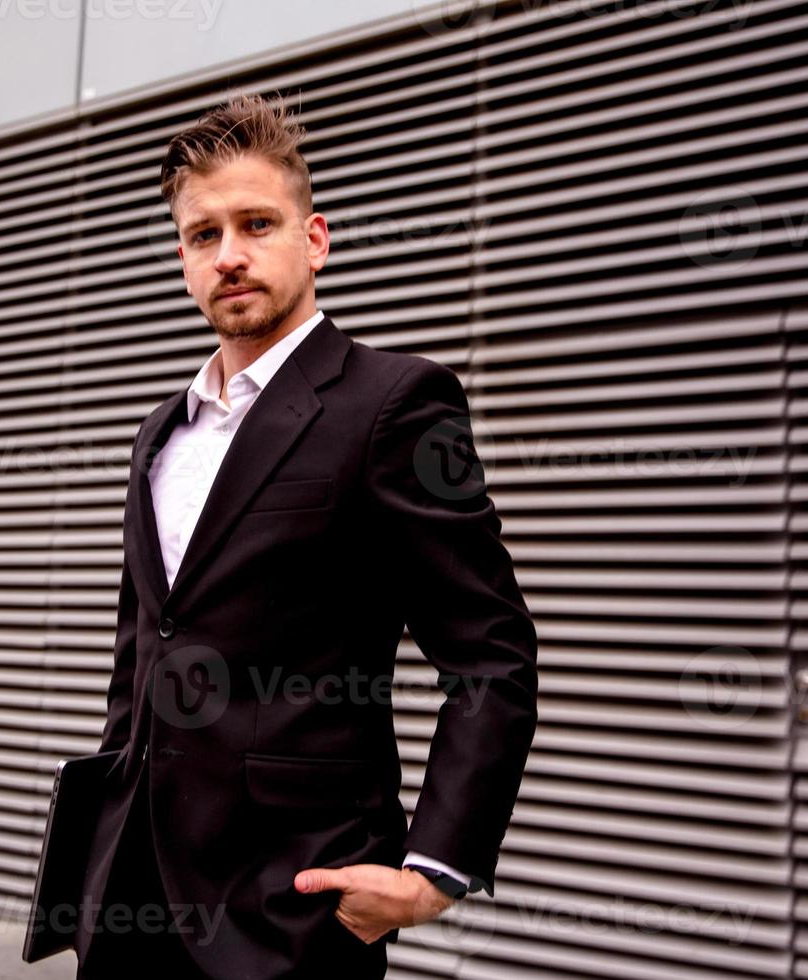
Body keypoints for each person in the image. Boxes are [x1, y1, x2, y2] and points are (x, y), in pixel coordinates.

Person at [73, 92, 538, 979]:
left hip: (291, 908)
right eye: (203, 235)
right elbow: (143, 651)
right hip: (131, 898)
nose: (230, 254)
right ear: (182, 259)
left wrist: (435, 870)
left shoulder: (395, 403)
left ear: (314, 238)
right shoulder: (161, 431)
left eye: (256, 223)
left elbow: (491, 653)